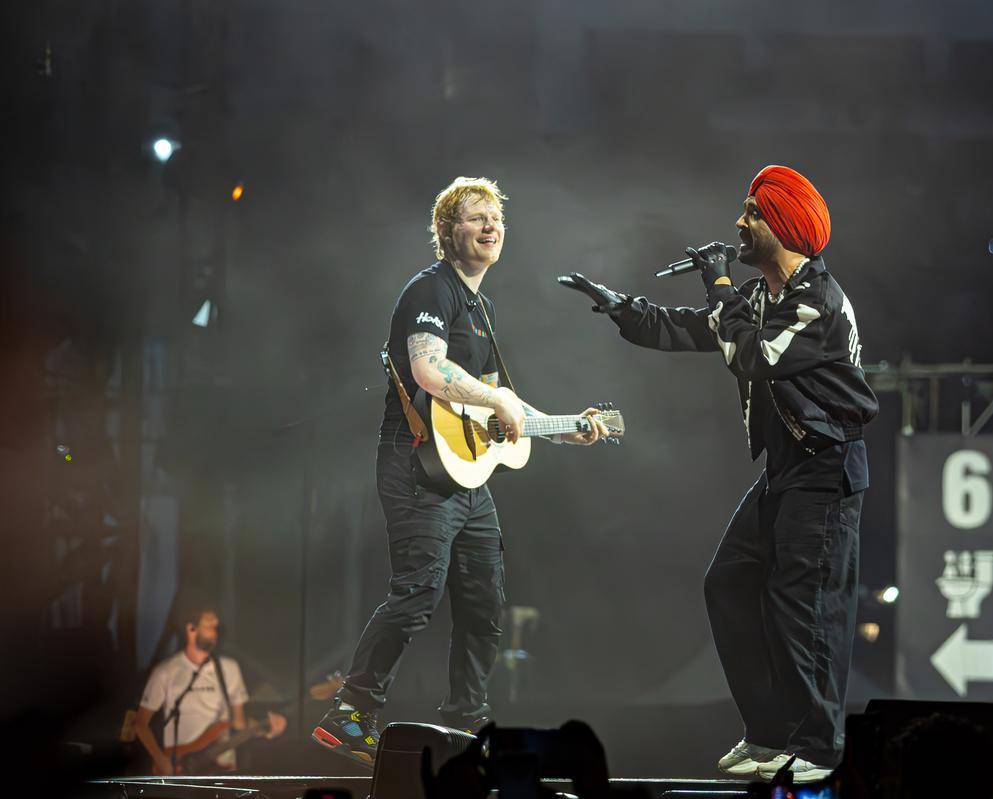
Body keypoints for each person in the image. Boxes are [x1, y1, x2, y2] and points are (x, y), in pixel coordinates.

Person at [560, 165, 878, 783]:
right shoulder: (761, 298)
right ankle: (767, 735)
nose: (739, 222)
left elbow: (752, 357)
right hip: (787, 466)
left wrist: (721, 282)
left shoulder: (818, 303)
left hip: (826, 466)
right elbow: (693, 328)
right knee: (728, 584)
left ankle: (816, 744)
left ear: (782, 227)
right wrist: (624, 309)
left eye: (753, 213)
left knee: (803, 605)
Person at [312, 176, 608, 770]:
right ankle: (350, 712)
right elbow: (426, 368)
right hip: (416, 464)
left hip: (467, 478)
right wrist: (498, 404)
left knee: (484, 603)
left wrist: (561, 425)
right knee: (418, 592)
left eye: (496, 217)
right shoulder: (431, 288)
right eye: (476, 217)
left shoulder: (483, 308)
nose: (490, 226)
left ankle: (465, 724)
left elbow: (499, 398)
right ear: (448, 232)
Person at [134, 607, 286, 775]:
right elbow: (140, 724)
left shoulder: (229, 668)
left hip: (223, 770)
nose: (215, 632)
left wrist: (264, 729)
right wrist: (160, 759)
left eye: (217, 627)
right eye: (209, 626)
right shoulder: (166, 671)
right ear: (191, 628)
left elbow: (239, 723)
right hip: (181, 769)